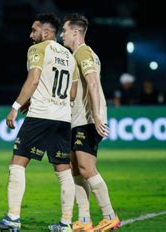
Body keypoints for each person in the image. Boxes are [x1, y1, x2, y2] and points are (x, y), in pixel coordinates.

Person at [0, 13, 78, 232]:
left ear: (46, 33)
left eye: (34, 30)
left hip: (41, 114)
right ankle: (66, 223)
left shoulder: (37, 49)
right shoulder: (69, 55)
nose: (30, 35)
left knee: (17, 163)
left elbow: (34, 78)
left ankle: (13, 219)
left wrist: (16, 107)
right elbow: (72, 93)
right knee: (64, 171)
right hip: (62, 117)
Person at [60, 13, 120, 231]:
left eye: (64, 31)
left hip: (87, 119)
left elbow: (93, 83)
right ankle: (84, 220)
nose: (62, 35)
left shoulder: (84, 52)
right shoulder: (76, 54)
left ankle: (109, 215)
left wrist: (96, 115)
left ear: (75, 32)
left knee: (86, 168)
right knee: (75, 168)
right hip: (76, 120)